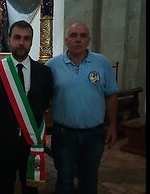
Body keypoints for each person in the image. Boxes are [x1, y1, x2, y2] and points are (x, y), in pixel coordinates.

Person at [45, 22, 120, 194]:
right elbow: (43, 99)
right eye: (73, 35)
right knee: (64, 179)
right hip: (64, 134)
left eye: (82, 35)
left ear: (88, 40)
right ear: (66, 40)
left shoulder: (101, 63)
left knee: (89, 179)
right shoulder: (52, 65)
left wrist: (114, 126)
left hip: (94, 135)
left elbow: (111, 95)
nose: (78, 39)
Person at [0, 20, 54, 194]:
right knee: (5, 186)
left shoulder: (44, 72)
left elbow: (44, 102)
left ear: (31, 41)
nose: (22, 42)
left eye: (26, 38)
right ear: (9, 40)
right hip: (3, 142)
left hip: (31, 143)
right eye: (17, 37)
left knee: (31, 188)